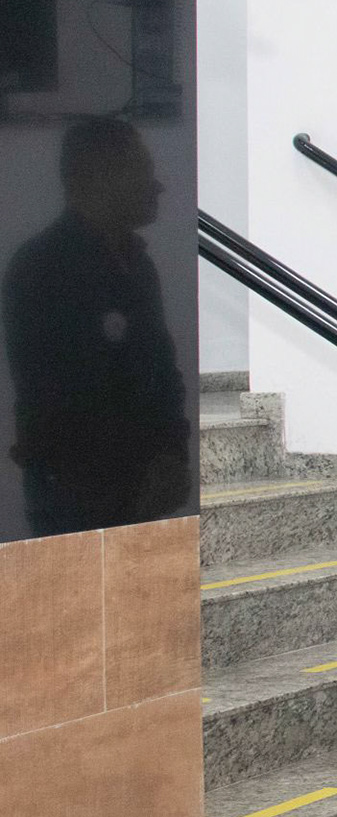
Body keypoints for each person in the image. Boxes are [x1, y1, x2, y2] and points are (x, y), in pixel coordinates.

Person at [4, 117, 191, 537]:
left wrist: (172, 456)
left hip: (139, 488)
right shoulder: (42, 268)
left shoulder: (137, 263)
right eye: (142, 170)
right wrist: (138, 473)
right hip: (77, 498)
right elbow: (58, 394)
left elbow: (162, 369)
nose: (158, 186)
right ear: (101, 177)